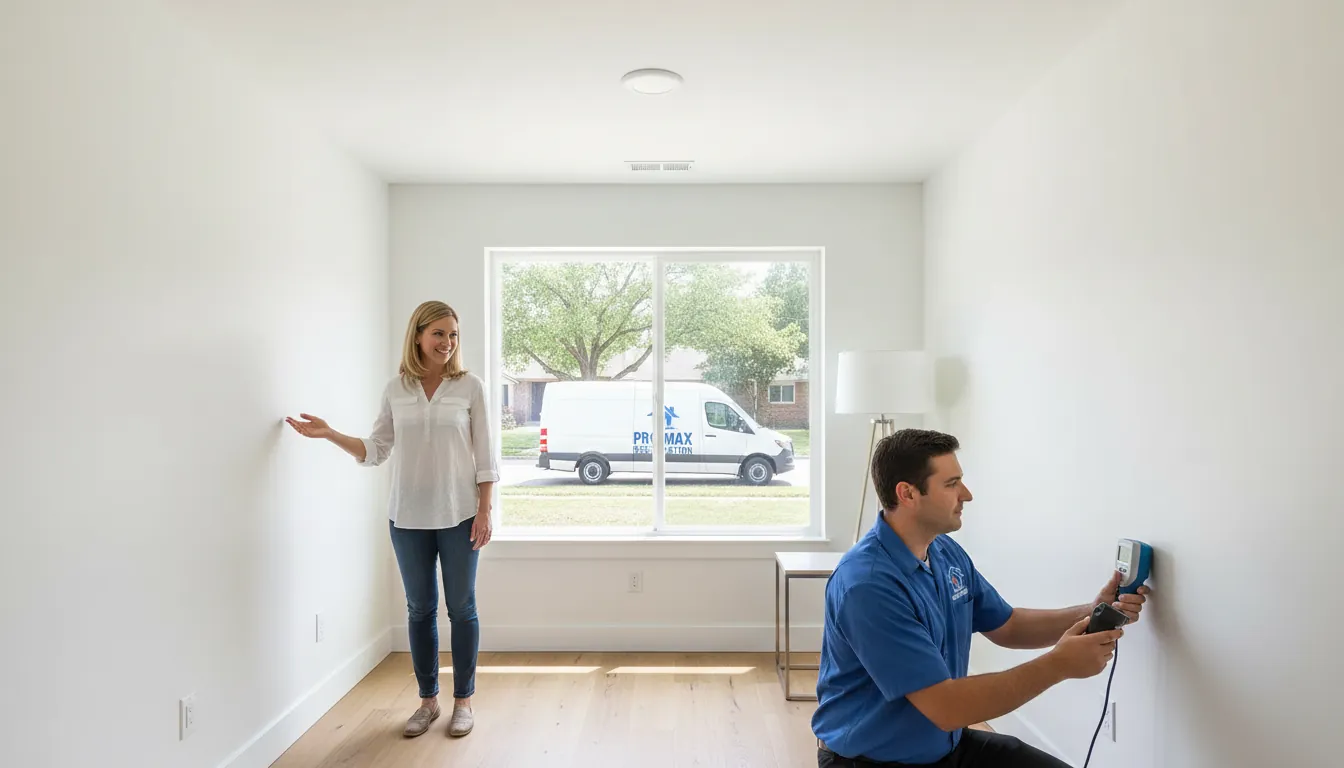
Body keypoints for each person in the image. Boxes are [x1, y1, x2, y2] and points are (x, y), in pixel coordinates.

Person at [811, 429, 1150, 767]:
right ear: (908, 494)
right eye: (951, 484)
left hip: (945, 746)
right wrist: (1059, 665)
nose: (967, 495)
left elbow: (1009, 626)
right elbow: (946, 707)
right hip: (870, 761)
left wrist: (1091, 611)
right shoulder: (867, 586)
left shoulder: (944, 552)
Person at [285, 300, 499, 739]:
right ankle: (427, 702)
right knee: (419, 610)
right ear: (418, 335)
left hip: (460, 514)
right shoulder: (397, 388)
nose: (447, 342)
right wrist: (329, 434)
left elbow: (486, 455)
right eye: (439, 333)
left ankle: (464, 702)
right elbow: (376, 449)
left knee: (462, 608)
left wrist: (485, 509)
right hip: (407, 517)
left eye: (453, 334)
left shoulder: (469, 386)